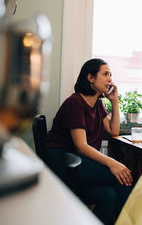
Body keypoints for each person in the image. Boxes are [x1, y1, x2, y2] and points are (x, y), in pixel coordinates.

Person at [44, 58, 133, 225]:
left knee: (109, 195)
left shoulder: (97, 105)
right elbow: (81, 146)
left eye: (110, 75)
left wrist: (114, 101)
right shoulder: (75, 103)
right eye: (105, 74)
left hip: (77, 161)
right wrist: (112, 163)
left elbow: (113, 131)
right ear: (90, 78)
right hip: (63, 162)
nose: (110, 79)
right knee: (123, 177)